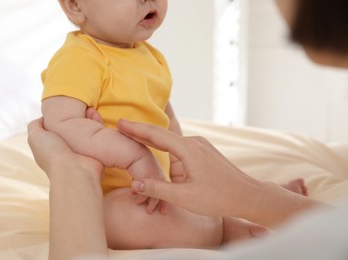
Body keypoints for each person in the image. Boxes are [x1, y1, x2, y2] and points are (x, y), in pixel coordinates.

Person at [27, 0, 348, 258]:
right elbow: (62, 123)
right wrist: (133, 158)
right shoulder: (79, 57)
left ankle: (252, 201)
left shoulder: (151, 58)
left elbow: (166, 119)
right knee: (136, 220)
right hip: (108, 198)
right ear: (74, 6)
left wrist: (180, 170)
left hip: (153, 185)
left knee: (206, 167)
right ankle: (223, 227)